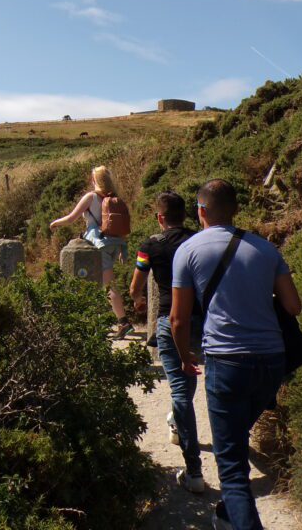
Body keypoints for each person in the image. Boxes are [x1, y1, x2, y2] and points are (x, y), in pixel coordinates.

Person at [171, 179, 301, 530]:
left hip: (226, 362)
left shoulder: (188, 250)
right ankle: (228, 514)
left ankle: (239, 517)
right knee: (236, 436)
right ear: (235, 210)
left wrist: (185, 358)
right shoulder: (266, 249)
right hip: (272, 361)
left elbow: (179, 318)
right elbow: (293, 305)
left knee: (231, 469)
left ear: (200, 210)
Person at [130, 191, 203, 492]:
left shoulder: (150, 245)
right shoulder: (198, 240)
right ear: (185, 215)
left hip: (167, 319)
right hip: (199, 320)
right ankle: (177, 418)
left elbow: (136, 285)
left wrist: (137, 302)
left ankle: (195, 470)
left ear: (160, 217)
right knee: (187, 382)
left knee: (181, 390)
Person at [49, 165, 131, 337]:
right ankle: (105, 319)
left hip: (99, 244)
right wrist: (123, 249)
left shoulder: (91, 197)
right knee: (103, 284)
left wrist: (55, 223)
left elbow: (72, 218)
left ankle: (123, 322)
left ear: (94, 180)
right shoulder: (115, 198)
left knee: (109, 285)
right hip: (116, 243)